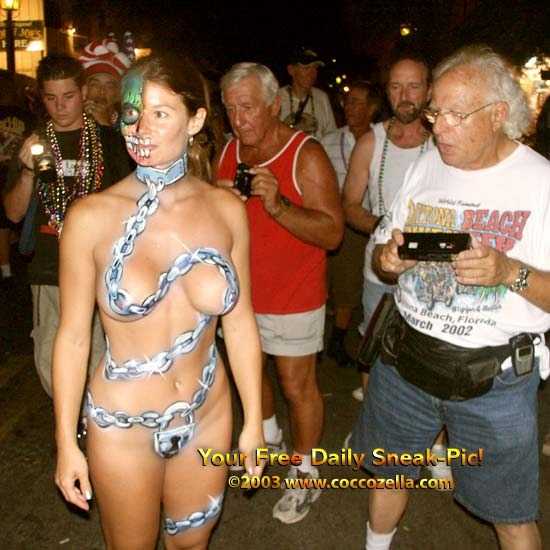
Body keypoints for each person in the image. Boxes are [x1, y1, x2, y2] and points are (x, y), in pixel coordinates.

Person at [53, 54, 264, 550]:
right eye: (132, 113)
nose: (140, 129)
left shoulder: (226, 210)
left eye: (160, 113)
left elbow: (240, 324)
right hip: (122, 427)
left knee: (192, 545)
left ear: (195, 120)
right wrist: (64, 442)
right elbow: (74, 337)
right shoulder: (90, 218)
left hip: (208, 413)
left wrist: (254, 421)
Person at [353, 44, 550, 550]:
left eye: (455, 115)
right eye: (435, 112)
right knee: (388, 475)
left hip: (496, 382)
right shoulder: (427, 165)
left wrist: (508, 271)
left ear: (498, 114)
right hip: (405, 363)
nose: (438, 128)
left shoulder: (541, 183)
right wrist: (388, 261)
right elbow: (382, 254)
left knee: (511, 514)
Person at [217, 62, 343, 524]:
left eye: (248, 107)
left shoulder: (305, 154)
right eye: (231, 109)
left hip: (293, 294)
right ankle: (268, 437)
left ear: (274, 105)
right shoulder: (228, 150)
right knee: (250, 378)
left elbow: (332, 233)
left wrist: (278, 205)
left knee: (296, 386)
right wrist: (216, 198)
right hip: (241, 296)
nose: (239, 119)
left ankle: (306, 470)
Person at [3, 54, 131, 396]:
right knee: (49, 358)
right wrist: (27, 172)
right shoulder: (35, 143)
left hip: (100, 269)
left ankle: (94, 422)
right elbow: (13, 214)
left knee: (100, 357)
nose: (60, 107)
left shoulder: (109, 142)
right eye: (51, 98)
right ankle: (73, 417)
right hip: (49, 269)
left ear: (83, 92)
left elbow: (131, 206)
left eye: (69, 96)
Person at [343, 52, 433, 402]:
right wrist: (381, 225)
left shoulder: (443, 142)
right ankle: (372, 421)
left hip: (429, 273)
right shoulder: (371, 141)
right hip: (379, 271)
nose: (404, 95)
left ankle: (430, 432)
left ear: (428, 90)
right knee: (375, 346)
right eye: (396, 86)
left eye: (413, 86)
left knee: (427, 356)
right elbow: (350, 204)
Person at [320, 80, 381, 369]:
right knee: (336, 282)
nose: (349, 107)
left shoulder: (381, 141)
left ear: (372, 107)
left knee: (353, 285)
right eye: (347, 102)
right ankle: (330, 340)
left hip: (368, 221)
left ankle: (340, 339)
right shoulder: (329, 141)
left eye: (357, 102)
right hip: (336, 219)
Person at [279, 48, 336, 140]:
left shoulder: (322, 97)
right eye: (306, 68)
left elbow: (332, 136)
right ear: (291, 70)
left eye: (315, 68)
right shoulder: (277, 97)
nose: (312, 73)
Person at [78, 37, 132, 127]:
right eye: (95, 85)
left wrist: (104, 123)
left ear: (117, 92)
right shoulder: (73, 118)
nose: (102, 91)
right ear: (85, 89)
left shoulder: (129, 121)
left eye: (109, 86)